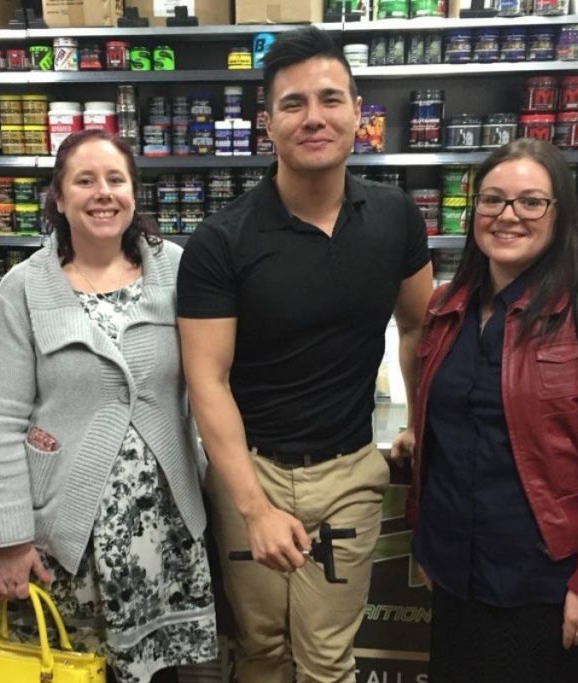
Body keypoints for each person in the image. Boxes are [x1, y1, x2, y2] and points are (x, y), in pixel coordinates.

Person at [177, 26, 433, 683]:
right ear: (268, 123)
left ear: (357, 113)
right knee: (259, 649)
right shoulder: (221, 239)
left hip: (349, 475)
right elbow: (207, 379)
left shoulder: (397, 219)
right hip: (249, 474)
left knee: (326, 658)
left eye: (329, 99)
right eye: (293, 104)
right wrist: (255, 507)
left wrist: (417, 421)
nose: (313, 117)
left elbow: (417, 328)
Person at [392, 138, 578, 682]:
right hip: (454, 574)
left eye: (531, 202)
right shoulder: (446, 306)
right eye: (493, 200)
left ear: (560, 214)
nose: (508, 216)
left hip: (546, 585)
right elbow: (449, 427)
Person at [0, 129, 217, 683]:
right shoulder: (23, 289)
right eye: (84, 180)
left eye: (115, 179)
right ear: (58, 197)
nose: (103, 193)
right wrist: (8, 541)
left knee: (158, 673)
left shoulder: (176, 268)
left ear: (134, 192)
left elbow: (215, 374)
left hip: (163, 534)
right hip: (61, 542)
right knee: (66, 671)